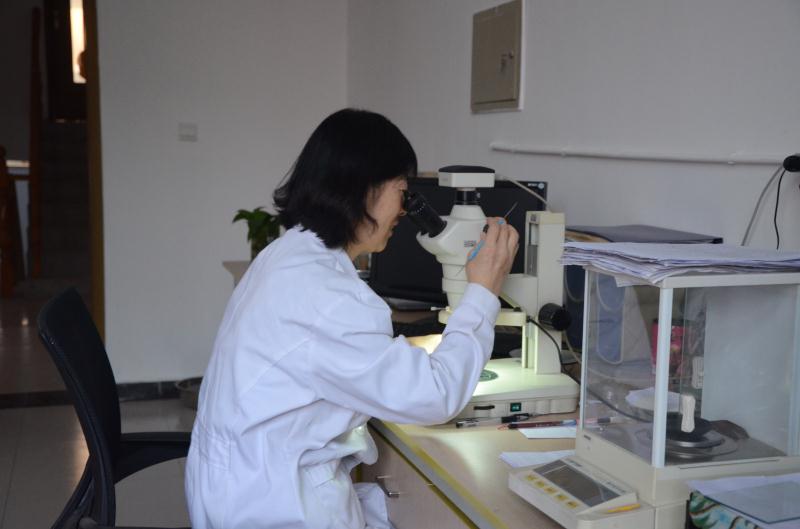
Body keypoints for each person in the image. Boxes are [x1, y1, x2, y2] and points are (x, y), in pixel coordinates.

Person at [185, 108, 519, 529]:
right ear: (363, 190)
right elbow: (435, 396)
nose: (405, 209)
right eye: (402, 191)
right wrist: (483, 293)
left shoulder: (287, 254)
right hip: (274, 505)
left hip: (243, 482)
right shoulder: (330, 297)